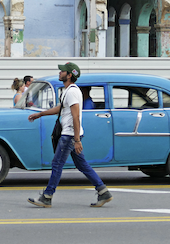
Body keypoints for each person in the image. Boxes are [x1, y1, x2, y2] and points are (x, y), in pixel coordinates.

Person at [27, 62, 112, 208]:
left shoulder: (72, 92)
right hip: (71, 135)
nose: (60, 73)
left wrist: (77, 140)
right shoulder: (69, 91)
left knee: (57, 164)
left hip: (69, 135)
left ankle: (47, 197)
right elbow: (61, 108)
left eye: (62, 71)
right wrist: (40, 114)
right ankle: (103, 191)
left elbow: (75, 116)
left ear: (69, 75)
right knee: (82, 165)